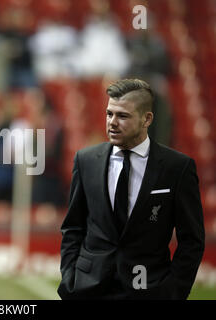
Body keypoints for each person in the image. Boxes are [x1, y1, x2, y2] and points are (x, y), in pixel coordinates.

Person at [57, 79, 205, 299]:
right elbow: (73, 228)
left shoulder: (177, 168)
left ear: (147, 119)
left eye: (123, 116)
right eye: (109, 114)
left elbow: (192, 240)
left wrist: (173, 292)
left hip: (147, 290)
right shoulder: (86, 160)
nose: (112, 122)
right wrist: (70, 279)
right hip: (88, 289)